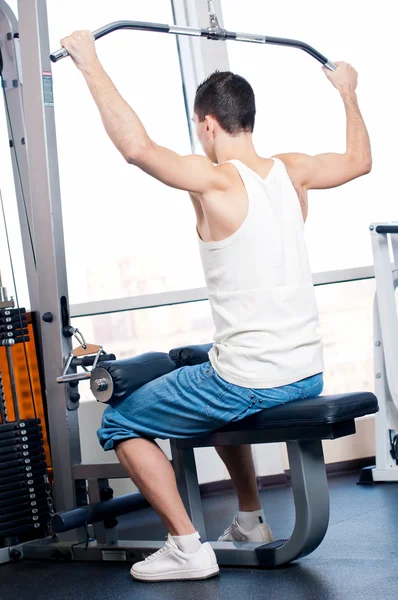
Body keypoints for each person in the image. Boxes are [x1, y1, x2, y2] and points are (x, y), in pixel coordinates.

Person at [60, 31, 372, 582]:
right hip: (304, 371)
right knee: (201, 360)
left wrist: (90, 61)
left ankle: (186, 546)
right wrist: (347, 91)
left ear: (208, 125)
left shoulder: (215, 182)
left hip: (251, 378)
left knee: (119, 420)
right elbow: (357, 160)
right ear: (247, 118)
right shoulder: (291, 170)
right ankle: (250, 519)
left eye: (199, 130)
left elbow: (138, 149)